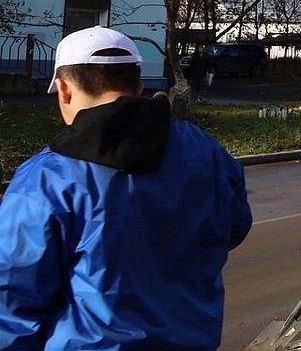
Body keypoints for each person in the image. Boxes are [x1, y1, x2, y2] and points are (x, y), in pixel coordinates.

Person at [0, 26, 252, 349]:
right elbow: (235, 226)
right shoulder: (207, 152)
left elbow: (11, 302)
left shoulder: (47, 178)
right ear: (139, 87)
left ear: (63, 90)